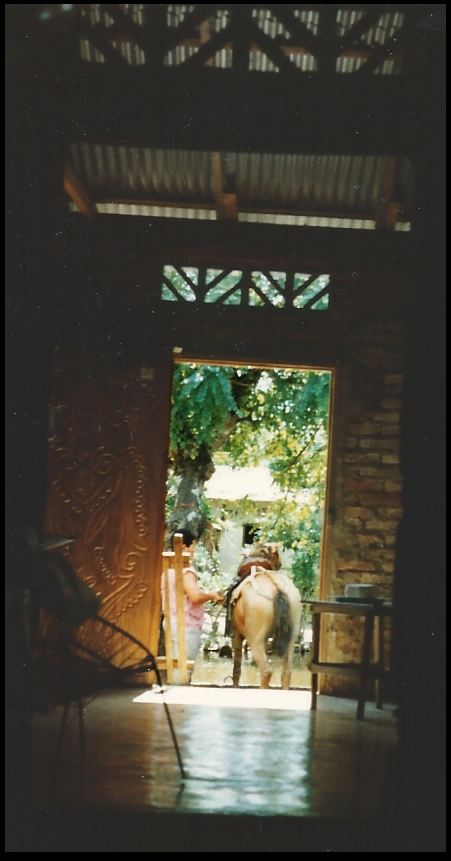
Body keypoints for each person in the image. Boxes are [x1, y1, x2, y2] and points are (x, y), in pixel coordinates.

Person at [161, 528, 223, 681]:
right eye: (193, 546)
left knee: (175, 664)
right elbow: (195, 596)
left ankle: (173, 696)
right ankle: (178, 699)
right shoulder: (186, 571)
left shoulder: (167, 570)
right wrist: (212, 595)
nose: (194, 551)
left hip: (170, 622)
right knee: (184, 668)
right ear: (183, 548)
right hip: (186, 625)